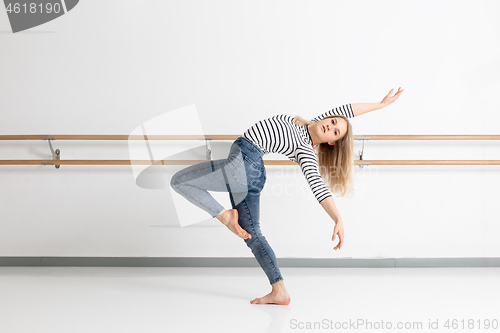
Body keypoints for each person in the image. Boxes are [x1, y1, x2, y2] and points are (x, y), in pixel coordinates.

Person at [170, 87, 404, 305]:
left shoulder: (306, 151)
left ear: (331, 142)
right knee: (252, 234)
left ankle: (224, 217)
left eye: (335, 131)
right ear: (328, 117)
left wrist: (338, 219)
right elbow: (348, 110)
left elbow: (318, 186)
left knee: (179, 181)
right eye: (332, 121)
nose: (330, 126)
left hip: (245, 161)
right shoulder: (307, 125)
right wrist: (380, 105)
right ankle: (279, 290)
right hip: (253, 170)